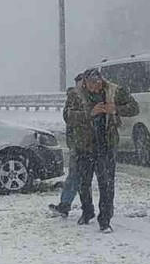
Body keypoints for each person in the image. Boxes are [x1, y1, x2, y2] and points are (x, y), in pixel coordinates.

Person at [64, 67, 139, 233]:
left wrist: (116, 109)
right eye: (91, 85)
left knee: (107, 185)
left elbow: (134, 107)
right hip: (84, 146)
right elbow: (67, 117)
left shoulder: (113, 91)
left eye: (98, 85)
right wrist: (89, 112)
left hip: (106, 144)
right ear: (84, 83)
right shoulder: (75, 94)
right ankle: (87, 211)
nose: (95, 88)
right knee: (84, 183)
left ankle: (105, 220)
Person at [49, 73, 86, 217]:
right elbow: (69, 118)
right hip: (80, 145)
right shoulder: (74, 98)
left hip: (81, 145)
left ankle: (67, 205)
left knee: (76, 177)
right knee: (77, 177)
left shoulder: (79, 98)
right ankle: (68, 205)